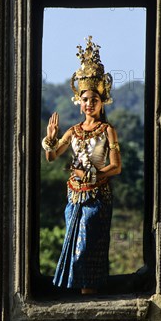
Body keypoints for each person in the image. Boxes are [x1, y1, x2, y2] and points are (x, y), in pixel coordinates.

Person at [42, 37, 122, 294]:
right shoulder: (73, 131)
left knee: (88, 241)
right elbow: (53, 157)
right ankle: (73, 288)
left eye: (94, 99)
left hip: (97, 195)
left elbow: (116, 167)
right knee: (72, 241)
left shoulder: (107, 130)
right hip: (74, 196)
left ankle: (89, 289)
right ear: (79, 102)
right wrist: (51, 139)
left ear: (102, 102)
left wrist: (93, 174)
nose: (90, 103)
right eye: (86, 99)